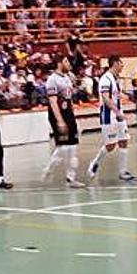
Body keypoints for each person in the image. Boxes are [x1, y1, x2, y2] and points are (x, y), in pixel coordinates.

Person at [87, 55, 137, 182]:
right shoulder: (105, 79)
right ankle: (94, 164)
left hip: (119, 115)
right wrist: (116, 112)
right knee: (110, 146)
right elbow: (105, 98)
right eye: (121, 63)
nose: (122, 65)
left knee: (124, 140)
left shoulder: (116, 79)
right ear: (115, 63)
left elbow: (114, 95)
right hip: (109, 116)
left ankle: (123, 172)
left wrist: (125, 96)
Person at [42, 55, 85, 188]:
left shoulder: (67, 77)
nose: (69, 63)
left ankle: (71, 177)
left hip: (69, 114)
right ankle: (49, 169)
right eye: (66, 61)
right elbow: (53, 101)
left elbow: (69, 97)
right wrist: (60, 121)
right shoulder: (52, 80)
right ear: (59, 63)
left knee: (73, 147)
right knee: (63, 146)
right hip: (57, 115)